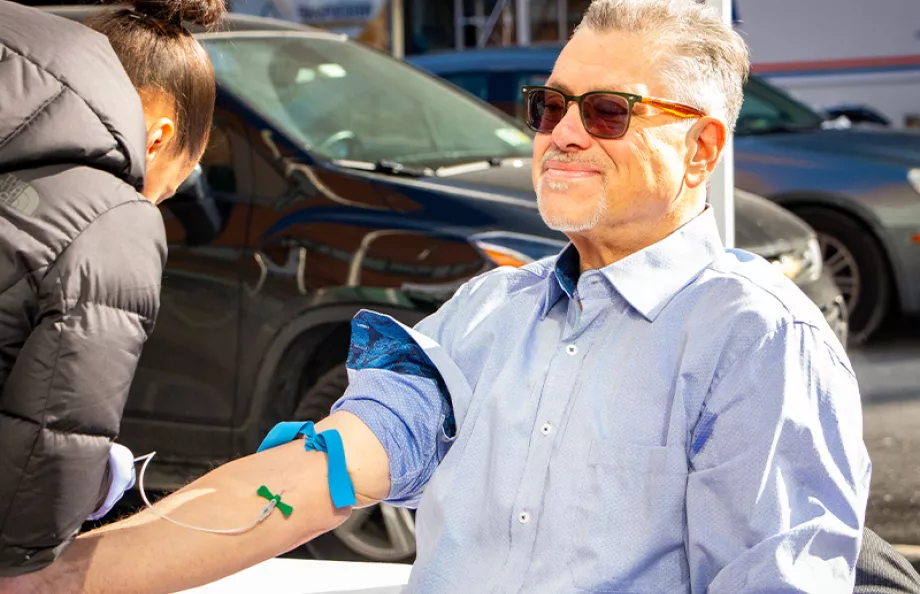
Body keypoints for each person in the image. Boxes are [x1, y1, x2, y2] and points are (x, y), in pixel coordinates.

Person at [0, 0, 875, 592]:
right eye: (550, 105)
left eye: (608, 112)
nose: (564, 134)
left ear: (702, 148)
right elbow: (301, 482)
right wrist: (49, 577)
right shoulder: (485, 317)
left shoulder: (756, 337)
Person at [0, 0, 223, 577]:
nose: (152, 201)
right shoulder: (112, 215)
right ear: (157, 139)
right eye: (166, 189)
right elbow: (41, 475)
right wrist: (99, 480)